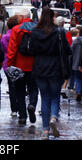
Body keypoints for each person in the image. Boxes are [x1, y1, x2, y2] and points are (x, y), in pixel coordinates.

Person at [28, 8, 72, 139]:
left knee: (45, 97)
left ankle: (45, 131)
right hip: (56, 67)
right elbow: (67, 49)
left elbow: (31, 50)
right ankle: (53, 117)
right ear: (53, 17)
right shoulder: (59, 31)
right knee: (55, 95)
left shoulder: (35, 31)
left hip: (40, 67)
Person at [6, 8, 39, 125]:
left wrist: (10, 64)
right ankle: (32, 105)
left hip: (19, 65)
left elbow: (12, 49)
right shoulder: (38, 28)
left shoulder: (16, 29)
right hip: (34, 65)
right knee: (33, 89)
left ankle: (22, 116)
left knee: (19, 91)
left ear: (21, 17)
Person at [1, 15, 20, 117]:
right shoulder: (18, 35)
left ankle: (14, 109)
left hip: (7, 64)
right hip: (18, 63)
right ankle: (20, 107)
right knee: (20, 87)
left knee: (11, 87)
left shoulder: (5, 37)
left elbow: (2, 50)